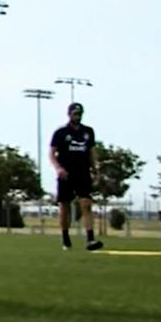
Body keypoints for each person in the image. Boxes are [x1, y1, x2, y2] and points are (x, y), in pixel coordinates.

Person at [50, 101, 103, 251]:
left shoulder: (88, 132)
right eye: (75, 114)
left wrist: (95, 168)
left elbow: (92, 152)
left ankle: (90, 239)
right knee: (64, 206)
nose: (77, 116)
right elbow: (52, 153)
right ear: (69, 114)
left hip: (83, 172)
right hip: (66, 174)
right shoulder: (61, 133)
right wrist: (58, 168)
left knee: (86, 204)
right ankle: (65, 239)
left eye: (79, 114)